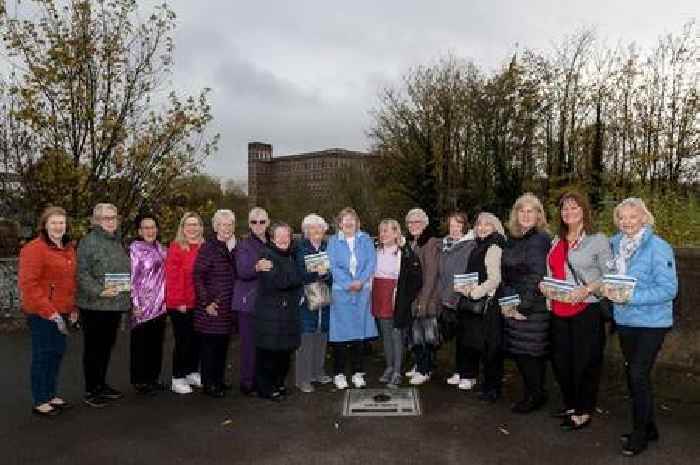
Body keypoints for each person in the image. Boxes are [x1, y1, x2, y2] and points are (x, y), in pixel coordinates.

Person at [605, 198, 677, 457]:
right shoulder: (614, 245)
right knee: (636, 376)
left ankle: (640, 434)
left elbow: (669, 290)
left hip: (652, 322)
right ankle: (650, 426)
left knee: (637, 374)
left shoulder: (659, 248)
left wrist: (629, 297)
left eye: (632, 217)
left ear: (644, 219)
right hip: (625, 321)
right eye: (622, 217)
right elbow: (606, 276)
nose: (627, 222)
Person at [544, 191, 611, 431]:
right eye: (564, 208)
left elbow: (610, 276)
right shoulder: (556, 239)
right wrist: (546, 285)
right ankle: (571, 404)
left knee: (585, 363)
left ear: (584, 210)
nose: (568, 212)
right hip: (558, 309)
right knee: (561, 362)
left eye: (573, 207)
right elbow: (553, 271)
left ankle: (583, 411)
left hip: (586, 310)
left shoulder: (597, 239)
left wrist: (588, 289)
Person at [19, 207, 77, 416]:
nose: (58, 226)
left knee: (56, 354)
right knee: (43, 355)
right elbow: (29, 284)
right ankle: (40, 400)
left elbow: (70, 283)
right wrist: (48, 311)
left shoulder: (68, 248)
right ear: (44, 225)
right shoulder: (34, 249)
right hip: (42, 313)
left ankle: (51, 394)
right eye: (53, 222)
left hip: (62, 310)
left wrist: (72, 308)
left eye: (61, 222)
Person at [76, 203, 131, 408]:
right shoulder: (88, 242)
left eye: (113, 217)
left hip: (114, 305)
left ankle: (101, 385)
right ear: (96, 220)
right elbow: (81, 274)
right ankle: (91, 390)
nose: (110, 221)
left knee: (106, 347)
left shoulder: (117, 241)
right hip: (94, 306)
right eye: (106, 218)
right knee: (94, 349)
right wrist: (99, 290)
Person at [501, 193, 552, 413]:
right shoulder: (516, 238)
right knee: (523, 352)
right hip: (516, 300)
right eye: (521, 210)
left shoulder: (539, 239)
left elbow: (537, 275)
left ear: (538, 215)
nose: (525, 214)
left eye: (531, 211)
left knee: (529, 353)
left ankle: (535, 395)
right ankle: (534, 392)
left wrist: (523, 307)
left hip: (532, 306)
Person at [455, 212, 505, 401]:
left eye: (487, 225)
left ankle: (492, 389)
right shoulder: (480, 245)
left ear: (495, 227)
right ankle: (488, 385)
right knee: (483, 346)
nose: (482, 227)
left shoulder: (493, 247)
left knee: (490, 348)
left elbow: (495, 279)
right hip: (480, 304)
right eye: (479, 224)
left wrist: (474, 292)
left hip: (488, 305)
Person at [327, 207, 377, 390]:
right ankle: (339, 373)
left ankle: (357, 372)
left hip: (362, 292)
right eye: (344, 219)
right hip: (341, 292)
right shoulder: (333, 241)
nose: (348, 222)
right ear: (340, 223)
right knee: (340, 335)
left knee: (358, 334)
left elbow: (371, 262)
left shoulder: (365, 239)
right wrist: (349, 283)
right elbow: (332, 265)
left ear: (358, 223)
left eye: (352, 219)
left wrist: (360, 281)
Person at [254, 222, 304, 400]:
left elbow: (297, 278)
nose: (283, 239)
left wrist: (295, 279)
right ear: (273, 238)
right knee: (269, 353)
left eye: (287, 235)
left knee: (284, 353)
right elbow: (280, 282)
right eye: (280, 235)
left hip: (288, 313)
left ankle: (279, 383)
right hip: (270, 314)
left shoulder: (292, 255)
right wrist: (296, 278)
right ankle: (265, 388)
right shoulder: (266, 255)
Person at [193, 209, 237, 398]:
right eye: (223, 224)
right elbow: (198, 275)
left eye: (230, 225)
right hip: (212, 306)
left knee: (222, 346)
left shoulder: (233, 247)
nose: (226, 228)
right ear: (216, 226)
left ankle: (217, 380)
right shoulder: (209, 247)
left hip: (227, 306)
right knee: (210, 347)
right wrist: (206, 302)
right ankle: (209, 384)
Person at [166, 212, 204, 394]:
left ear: (200, 227)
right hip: (181, 303)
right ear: (182, 227)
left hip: (199, 303)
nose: (192, 228)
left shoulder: (203, 247)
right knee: (183, 341)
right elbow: (172, 278)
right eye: (188, 224)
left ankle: (191, 371)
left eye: (195, 224)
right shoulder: (176, 248)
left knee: (196, 340)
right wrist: (179, 301)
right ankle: (178, 377)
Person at [232, 207, 270, 396]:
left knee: (264, 344)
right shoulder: (244, 245)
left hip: (266, 302)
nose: (258, 225)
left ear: (268, 223)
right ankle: (248, 383)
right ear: (249, 224)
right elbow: (243, 271)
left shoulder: (271, 242)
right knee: (249, 346)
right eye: (254, 222)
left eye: (262, 221)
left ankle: (261, 380)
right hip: (248, 302)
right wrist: (257, 266)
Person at [129, 214, 167, 395]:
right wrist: (135, 303)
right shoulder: (135, 249)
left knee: (156, 343)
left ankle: (153, 378)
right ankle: (140, 381)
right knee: (140, 345)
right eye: (146, 228)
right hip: (143, 306)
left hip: (161, 305)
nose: (150, 231)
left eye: (152, 227)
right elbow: (132, 278)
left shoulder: (161, 248)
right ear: (139, 231)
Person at [438, 212, 477, 391]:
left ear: (465, 226)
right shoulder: (446, 245)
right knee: (458, 339)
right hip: (448, 298)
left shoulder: (470, 245)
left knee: (468, 339)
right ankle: (460, 371)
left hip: (464, 298)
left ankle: (470, 375)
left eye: (458, 224)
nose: (454, 228)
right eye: (451, 225)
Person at [295, 214, 333, 393]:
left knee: (321, 336)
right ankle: (303, 378)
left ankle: (318, 372)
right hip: (306, 298)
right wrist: (320, 271)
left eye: (319, 227)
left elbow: (333, 273)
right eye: (311, 228)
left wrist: (324, 273)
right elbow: (302, 272)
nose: (316, 231)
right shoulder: (300, 248)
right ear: (305, 231)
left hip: (324, 297)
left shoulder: (328, 247)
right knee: (306, 338)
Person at [404, 208, 442, 386]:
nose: (413, 225)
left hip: (426, 297)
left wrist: (424, 301)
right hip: (414, 297)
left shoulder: (431, 243)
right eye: (410, 222)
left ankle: (425, 369)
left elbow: (431, 275)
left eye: (417, 222)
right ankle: (420, 364)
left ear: (425, 224)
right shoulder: (413, 242)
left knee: (425, 336)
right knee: (416, 334)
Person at [371, 219, 404, 388]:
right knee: (385, 334)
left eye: (387, 231)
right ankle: (389, 367)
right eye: (381, 231)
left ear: (396, 233)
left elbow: (401, 279)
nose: (383, 234)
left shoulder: (400, 253)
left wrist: (396, 297)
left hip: (393, 294)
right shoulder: (376, 251)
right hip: (379, 293)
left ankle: (398, 371)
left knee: (396, 334)